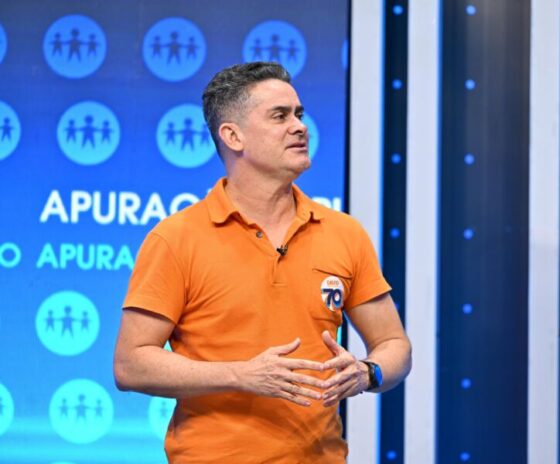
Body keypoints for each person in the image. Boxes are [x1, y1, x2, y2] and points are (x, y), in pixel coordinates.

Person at [113, 62, 412, 463]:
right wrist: (241, 374)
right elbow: (131, 364)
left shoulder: (344, 233)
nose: (300, 127)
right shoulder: (176, 238)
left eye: (299, 114)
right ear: (232, 136)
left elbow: (394, 345)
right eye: (279, 116)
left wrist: (367, 372)